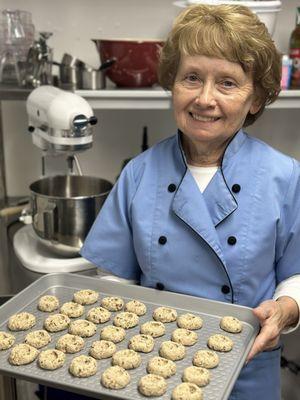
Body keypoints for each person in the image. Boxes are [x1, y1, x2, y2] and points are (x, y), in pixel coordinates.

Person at [81, 4, 300, 399]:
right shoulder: (138, 173)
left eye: (227, 83)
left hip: (245, 368)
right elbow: (114, 278)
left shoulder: (284, 177)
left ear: (255, 99)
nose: (204, 98)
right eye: (192, 78)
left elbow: (297, 273)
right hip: (149, 370)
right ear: (172, 84)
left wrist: (286, 307)